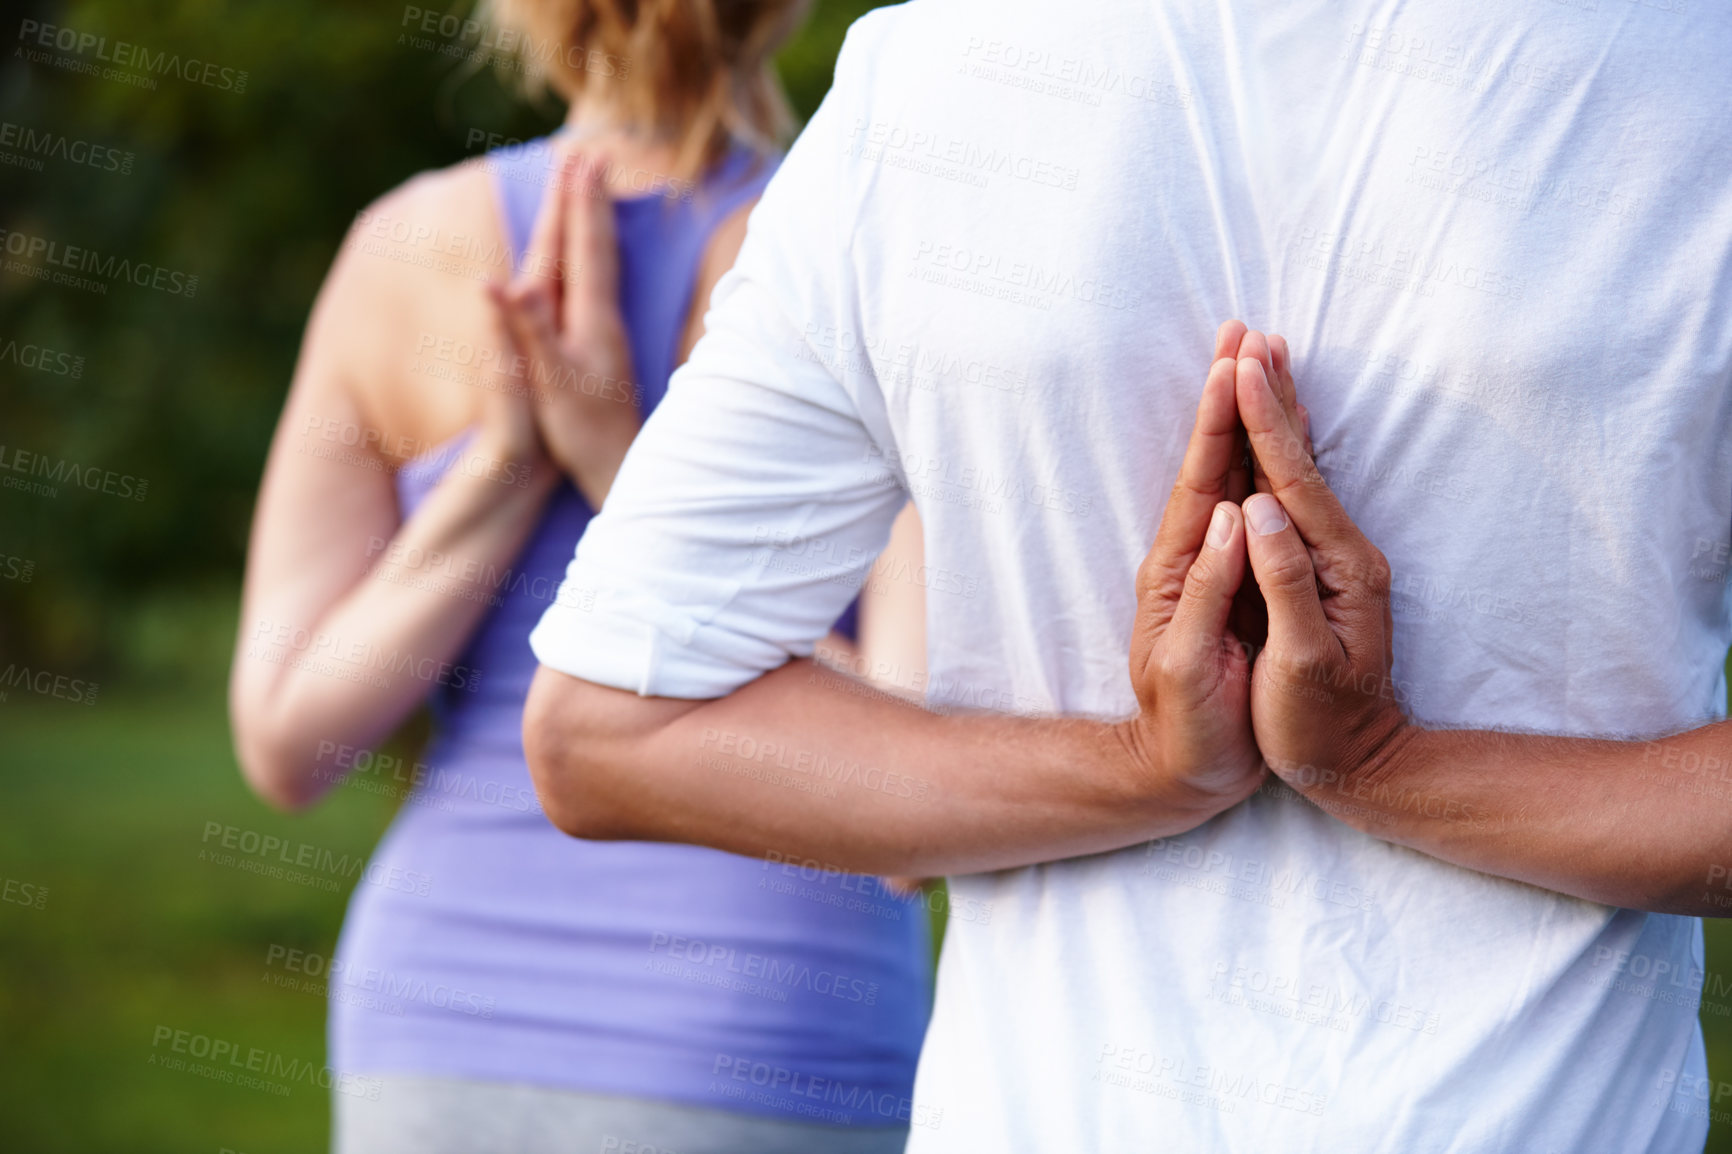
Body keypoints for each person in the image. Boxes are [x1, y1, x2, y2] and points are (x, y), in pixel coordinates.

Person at [519, 0, 1732, 1149]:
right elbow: (606, 733)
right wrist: (1381, 766)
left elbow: (621, 721)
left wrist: (1154, 771)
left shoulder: (932, 76)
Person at [226, 3, 931, 1151]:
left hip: (431, 1017)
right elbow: (917, 794)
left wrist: (586, 465)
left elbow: (282, 740)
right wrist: (527, 455)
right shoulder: (858, 246)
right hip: (760, 1022)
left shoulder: (401, 248)